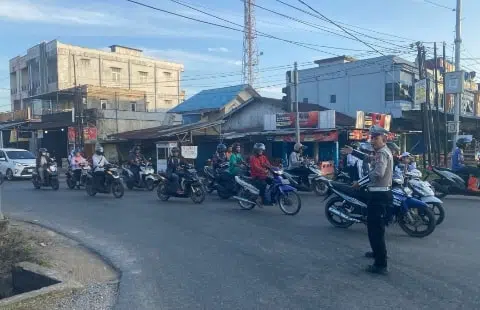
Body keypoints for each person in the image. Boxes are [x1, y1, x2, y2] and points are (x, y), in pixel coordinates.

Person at [341, 125, 393, 275]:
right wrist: (353, 152)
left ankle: (380, 264)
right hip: (380, 195)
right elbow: (369, 158)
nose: (372, 141)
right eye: (372, 138)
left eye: (375, 138)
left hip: (379, 196)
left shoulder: (382, 153)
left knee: (375, 230)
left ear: (384, 139)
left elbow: (378, 173)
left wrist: (359, 183)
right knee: (377, 228)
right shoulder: (381, 152)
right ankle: (377, 252)